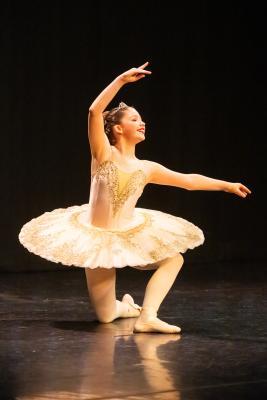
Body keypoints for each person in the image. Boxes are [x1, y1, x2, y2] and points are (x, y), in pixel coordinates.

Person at [18, 61, 252, 334]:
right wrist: (120, 80)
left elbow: (188, 181)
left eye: (141, 120)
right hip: (97, 241)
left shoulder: (146, 168)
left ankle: (148, 317)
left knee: (173, 258)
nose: (142, 123)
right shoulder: (104, 156)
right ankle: (127, 307)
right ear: (117, 129)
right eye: (134, 119)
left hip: (129, 236)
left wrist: (226, 185)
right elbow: (94, 111)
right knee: (105, 317)